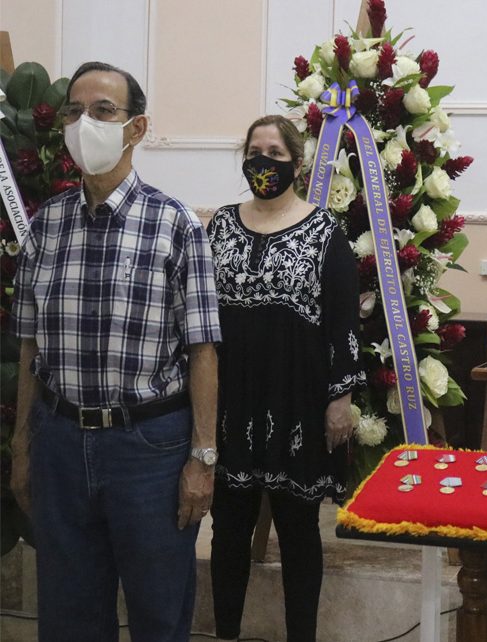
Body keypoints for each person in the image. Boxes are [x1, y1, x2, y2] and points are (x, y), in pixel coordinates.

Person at [10, 61, 221, 641]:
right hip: (60, 442)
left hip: (149, 449)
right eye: (75, 112)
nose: (85, 123)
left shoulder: (176, 225)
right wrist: (23, 444)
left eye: (103, 111)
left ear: (137, 128)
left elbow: (204, 349)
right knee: (69, 616)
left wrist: (202, 459)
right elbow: (30, 342)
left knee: (158, 613)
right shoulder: (46, 228)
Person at [206, 114, 365, 642]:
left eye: (275, 153)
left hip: (298, 405)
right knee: (228, 530)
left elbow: (343, 325)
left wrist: (339, 399)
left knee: (299, 534)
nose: (263, 162)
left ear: (295, 164)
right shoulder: (221, 226)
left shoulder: (325, 233)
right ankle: (225, 632)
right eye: (255, 151)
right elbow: (201, 317)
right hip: (231, 405)